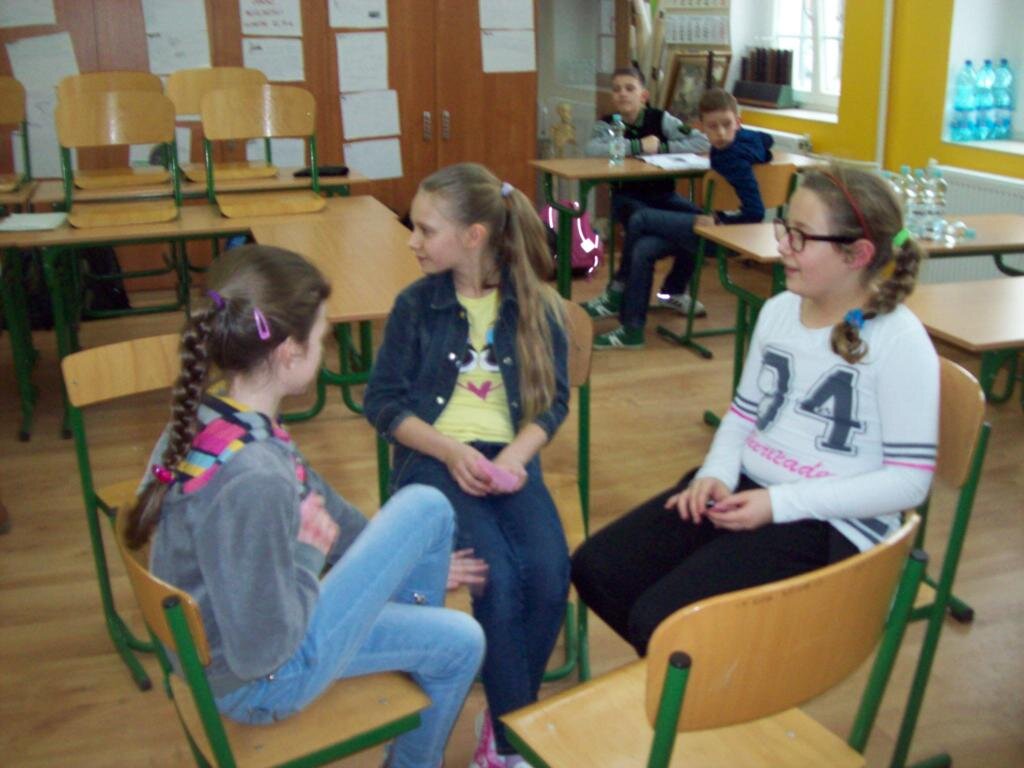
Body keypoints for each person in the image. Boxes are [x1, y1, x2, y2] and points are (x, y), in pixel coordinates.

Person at [124, 245, 485, 768]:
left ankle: (410, 640)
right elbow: (262, 650)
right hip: (259, 681)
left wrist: (391, 565)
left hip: (236, 638)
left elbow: (320, 502)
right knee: (460, 644)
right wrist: (307, 555)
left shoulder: (219, 416)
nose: (326, 348)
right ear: (289, 352)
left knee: (427, 509)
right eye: (322, 337)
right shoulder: (255, 478)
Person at [572, 164, 939, 654]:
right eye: (785, 227)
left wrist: (779, 505)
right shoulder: (778, 311)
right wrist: (717, 471)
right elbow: (743, 415)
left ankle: (714, 675)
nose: (783, 244)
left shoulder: (899, 340)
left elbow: (909, 483)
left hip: (832, 523)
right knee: (595, 569)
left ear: (857, 254)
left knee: (662, 620)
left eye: (801, 236)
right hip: (750, 488)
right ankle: (703, 673)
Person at [364, 163, 571, 768]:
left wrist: (514, 458)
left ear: (473, 236)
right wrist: (452, 452)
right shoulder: (416, 305)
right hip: (433, 459)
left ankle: (504, 720)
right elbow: (383, 404)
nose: (413, 241)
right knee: (497, 577)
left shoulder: (536, 305)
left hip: (507, 461)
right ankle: (510, 744)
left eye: (426, 230)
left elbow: (553, 402)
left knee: (549, 574)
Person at [591, 88, 775, 349]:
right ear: (702, 128)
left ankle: (618, 291)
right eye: (713, 127)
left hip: (727, 235)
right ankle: (633, 328)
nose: (721, 133)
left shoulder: (733, 157)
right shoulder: (748, 141)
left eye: (727, 125)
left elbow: (755, 211)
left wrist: (721, 220)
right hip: (728, 231)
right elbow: (767, 141)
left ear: (738, 122)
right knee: (644, 248)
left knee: (640, 219)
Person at [583, 66, 710, 319]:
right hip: (627, 199)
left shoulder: (661, 119)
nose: (623, 93)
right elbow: (592, 149)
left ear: (643, 95)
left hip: (664, 197)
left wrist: (661, 147)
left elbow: (701, 141)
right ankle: (618, 290)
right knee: (639, 221)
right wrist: (638, 145)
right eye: (617, 89)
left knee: (701, 221)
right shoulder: (606, 124)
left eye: (629, 88)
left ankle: (673, 291)